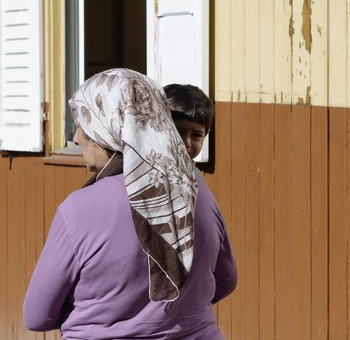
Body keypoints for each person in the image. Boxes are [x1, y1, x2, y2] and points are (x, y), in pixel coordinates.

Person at [23, 69, 237, 339]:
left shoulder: (78, 210)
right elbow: (225, 279)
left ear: (107, 128)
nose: (76, 137)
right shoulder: (196, 189)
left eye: (83, 124)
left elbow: (37, 315)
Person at [163, 83, 214, 160]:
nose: (186, 143)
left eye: (196, 135)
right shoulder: (142, 169)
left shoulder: (194, 172)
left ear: (205, 135)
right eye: (178, 132)